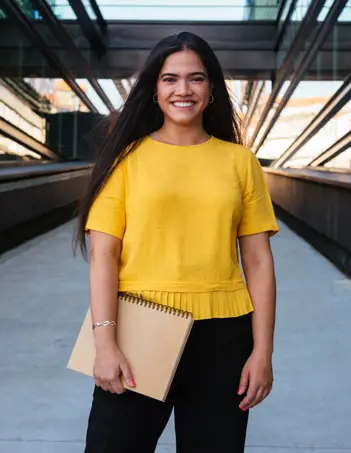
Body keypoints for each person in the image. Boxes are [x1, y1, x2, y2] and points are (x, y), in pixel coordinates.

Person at [73, 31, 279, 453]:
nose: (183, 90)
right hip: (139, 328)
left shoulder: (241, 162)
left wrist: (262, 352)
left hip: (224, 336)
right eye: (170, 79)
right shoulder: (125, 160)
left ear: (212, 90)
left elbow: (258, 262)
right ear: (154, 89)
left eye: (196, 78)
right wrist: (105, 343)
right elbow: (104, 256)